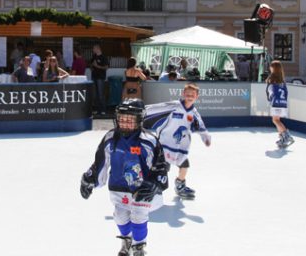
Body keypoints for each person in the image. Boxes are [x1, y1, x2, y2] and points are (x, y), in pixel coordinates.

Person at [79, 99, 169, 256]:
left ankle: (139, 247)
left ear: (139, 120)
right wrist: (90, 179)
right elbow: (100, 162)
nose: (125, 123)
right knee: (120, 216)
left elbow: (160, 167)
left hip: (142, 189)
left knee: (138, 214)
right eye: (122, 119)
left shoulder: (149, 140)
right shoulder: (110, 137)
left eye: (130, 120)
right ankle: (127, 240)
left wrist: (155, 183)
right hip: (118, 186)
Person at [147, 83, 211, 200]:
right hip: (164, 143)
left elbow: (201, 126)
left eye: (192, 95)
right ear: (183, 94)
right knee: (162, 167)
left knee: (184, 164)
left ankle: (180, 186)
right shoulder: (175, 106)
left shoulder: (194, 112)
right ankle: (153, 185)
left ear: (196, 97)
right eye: (188, 94)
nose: (190, 97)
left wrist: (205, 137)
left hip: (179, 145)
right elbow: (158, 107)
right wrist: (141, 110)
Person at [266, 61, 294, 149]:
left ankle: (286, 135)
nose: (270, 68)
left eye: (271, 67)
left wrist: (270, 99)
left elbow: (270, 91)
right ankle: (282, 138)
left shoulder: (272, 78)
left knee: (275, 120)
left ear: (273, 68)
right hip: (283, 102)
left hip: (276, 102)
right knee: (277, 120)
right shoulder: (282, 80)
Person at [90, 45, 109, 115]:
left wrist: (97, 66)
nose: (93, 50)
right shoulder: (94, 57)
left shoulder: (103, 57)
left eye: (93, 48)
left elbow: (106, 67)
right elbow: (91, 65)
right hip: (94, 77)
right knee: (95, 94)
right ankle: (97, 109)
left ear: (98, 49)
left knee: (101, 94)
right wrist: (92, 66)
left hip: (100, 78)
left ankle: (103, 110)